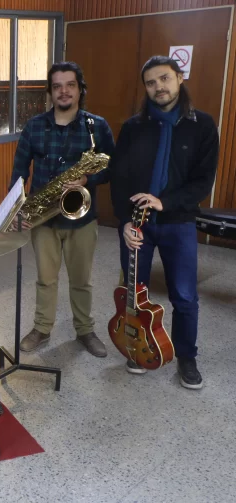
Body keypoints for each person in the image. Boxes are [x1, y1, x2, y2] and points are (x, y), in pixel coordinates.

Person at [110, 55, 219, 389]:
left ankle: (186, 356)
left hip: (178, 222)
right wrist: (124, 223)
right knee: (135, 293)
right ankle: (136, 345)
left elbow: (203, 181)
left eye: (164, 79)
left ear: (179, 78)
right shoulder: (133, 127)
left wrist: (165, 201)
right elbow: (119, 177)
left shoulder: (202, 125)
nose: (159, 87)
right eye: (151, 82)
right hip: (136, 226)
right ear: (145, 87)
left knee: (184, 296)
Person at [9, 62, 115, 357]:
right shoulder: (34, 126)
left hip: (82, 219)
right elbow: (19, 170)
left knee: (82, 280)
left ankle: (85, 330)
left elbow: (111, 168)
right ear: (50, 92)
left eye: (70, 85)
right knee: (46, 278)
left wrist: (87, 177)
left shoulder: (97, 126)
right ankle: (42, 328)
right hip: (44, 217)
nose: (64, 91)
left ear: (81, 89)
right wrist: (17, 208)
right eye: (57, 86)